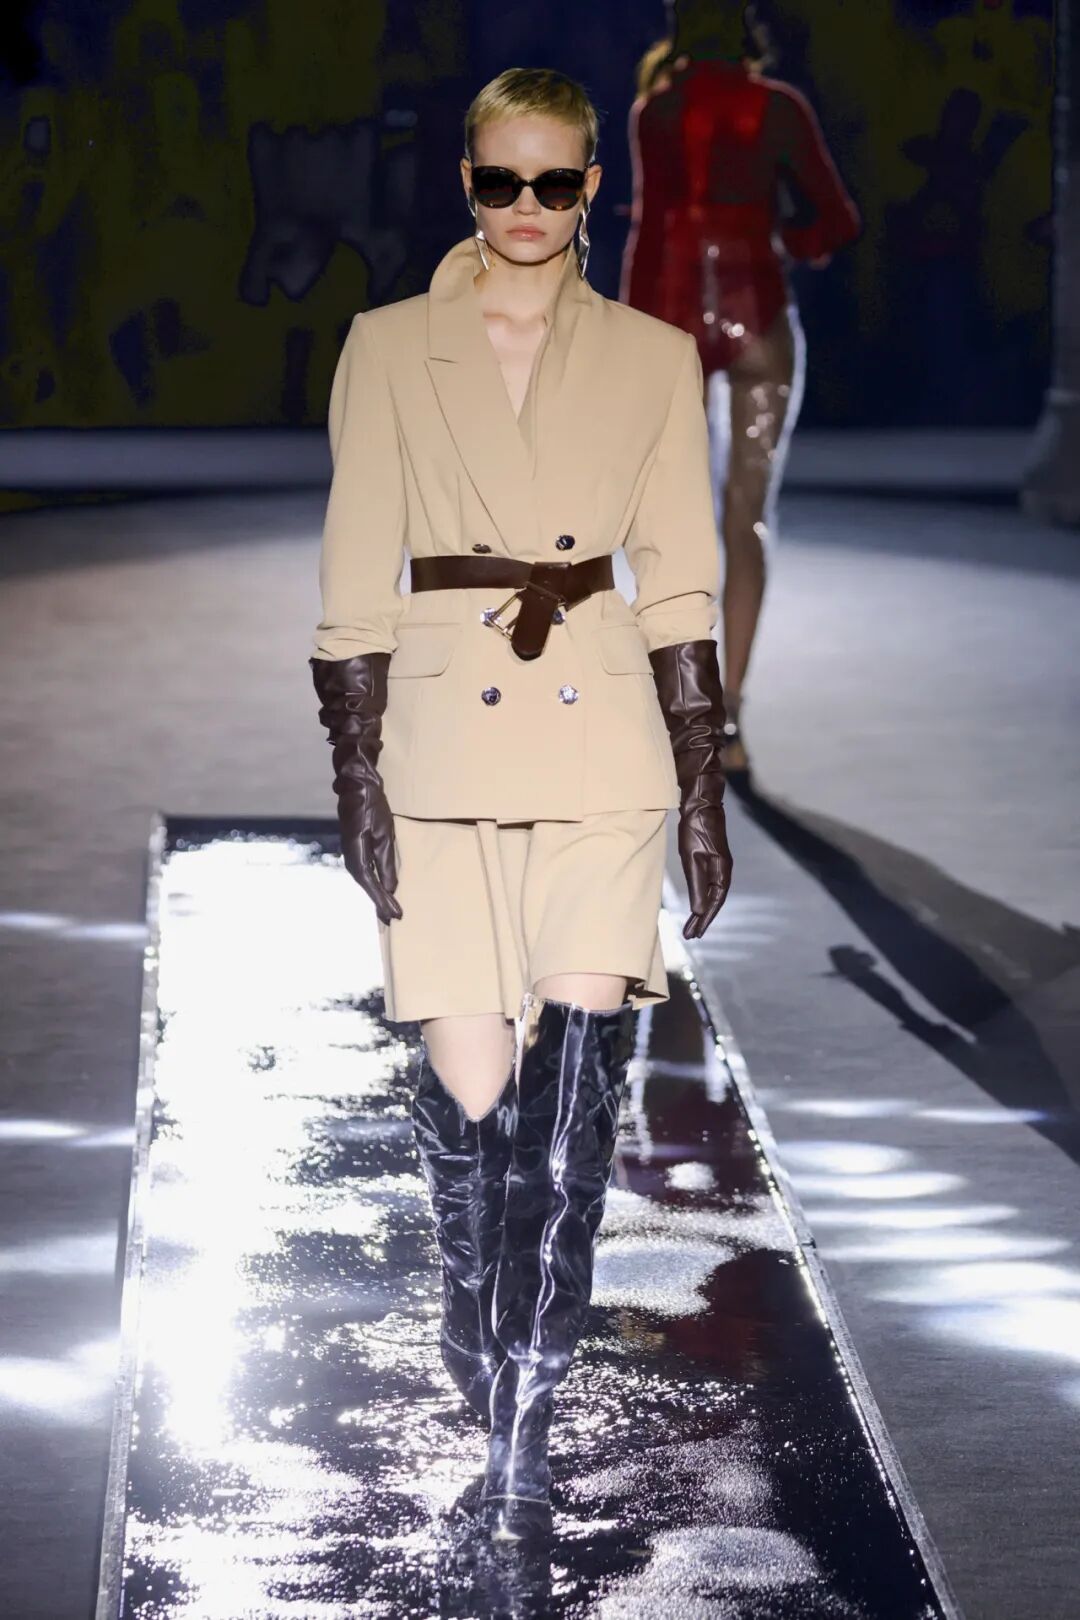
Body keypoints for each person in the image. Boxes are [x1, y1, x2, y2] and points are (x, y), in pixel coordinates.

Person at [310, 67, 732, 1541]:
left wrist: (701, 786)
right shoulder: (388, 347)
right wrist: (355, 770)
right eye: (504, 182)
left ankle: (529, 1414)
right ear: (469, 182)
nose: (530, 208)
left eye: (558, 183)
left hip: (602, 742)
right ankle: (470, 1310)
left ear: (592, 189)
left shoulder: (655, 357)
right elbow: (355, 570)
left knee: (568, 1119)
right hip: (440, 753)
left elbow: (680, 578)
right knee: (478, 1099)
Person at [621, 2, 860, 772]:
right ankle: (728, 719)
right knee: (745, 520)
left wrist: (625, 340)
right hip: (758, 312)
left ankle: (684, 704)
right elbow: (837, 220)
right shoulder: (778, 109)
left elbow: (649, 236)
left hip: (671, 321)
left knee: (674, 522)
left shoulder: (656, 110)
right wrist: (784, 239)